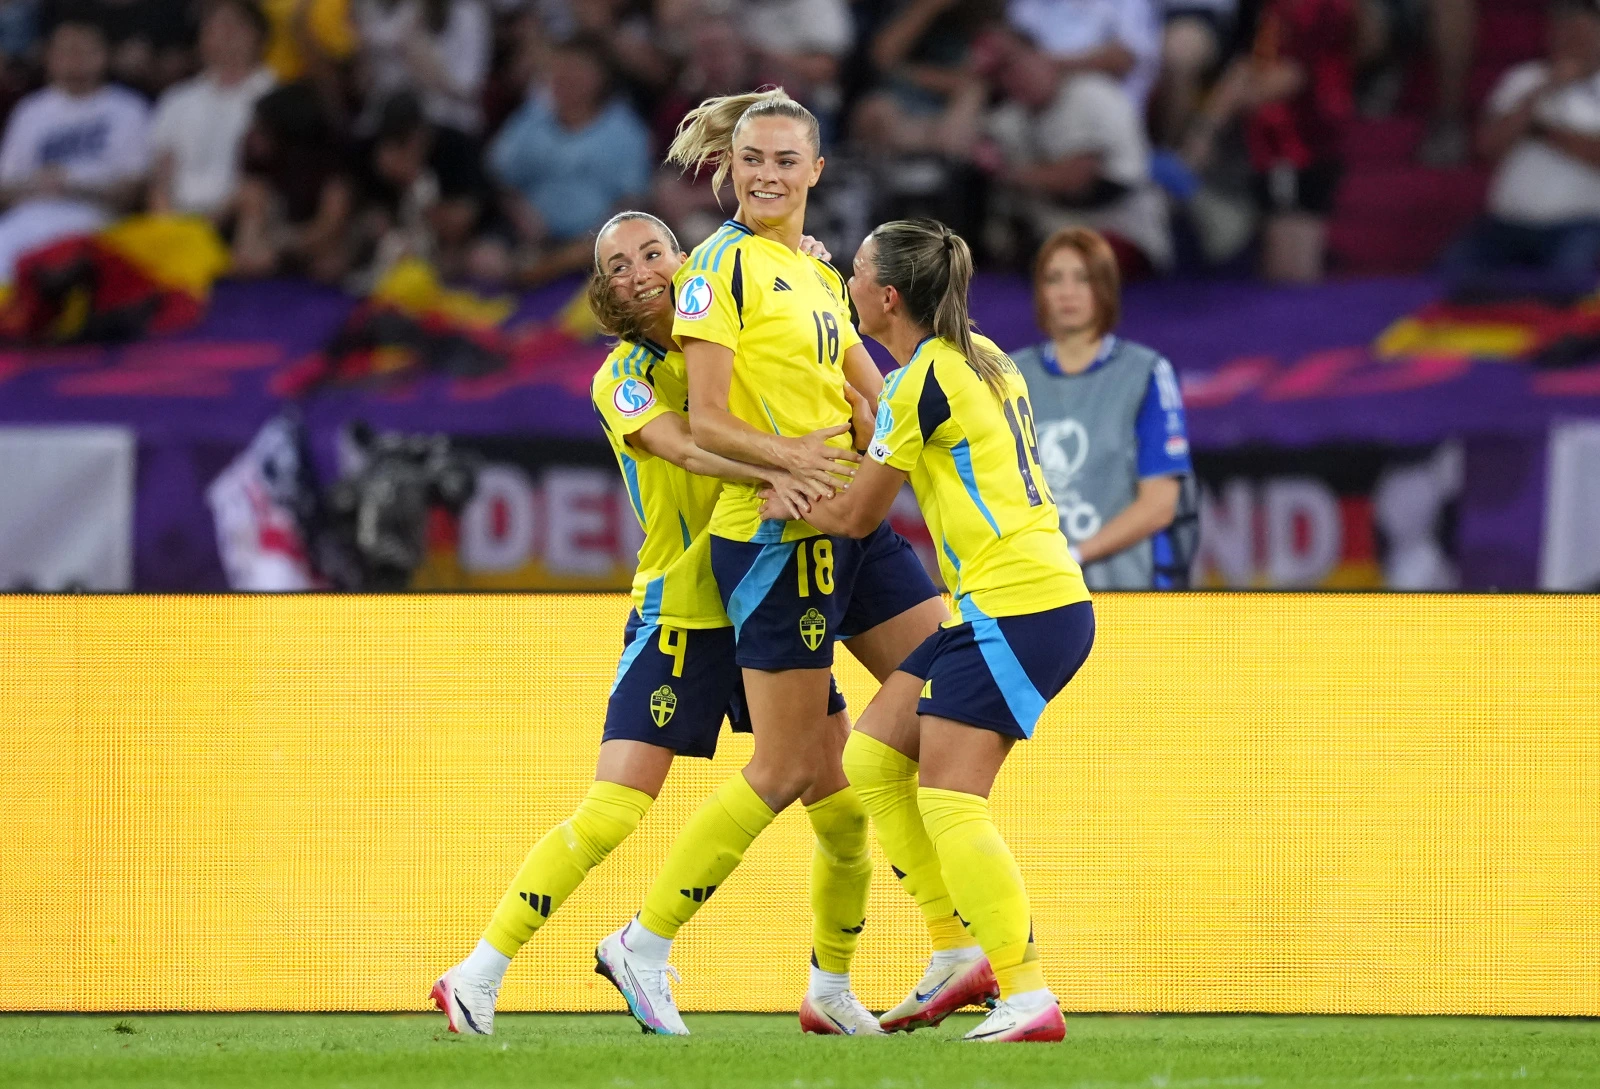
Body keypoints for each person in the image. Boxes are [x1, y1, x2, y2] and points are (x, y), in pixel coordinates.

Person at [591, 88, 952, 1038]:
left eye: (786, 160)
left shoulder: (820, 274)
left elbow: (879, 395)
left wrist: (946, 411)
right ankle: (646, 941)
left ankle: (890, 966)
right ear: (731, 166)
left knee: (944, 686)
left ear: (816, 171)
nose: (767, 173)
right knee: (792, 766)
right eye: (752, 157)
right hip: (775, 536)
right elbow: (706, 420)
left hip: (852, 524)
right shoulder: (716, 272)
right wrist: (790, 457)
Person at [431, 210, 844, 1035]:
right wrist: (788, 461)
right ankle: (480, 970)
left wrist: (796, 259)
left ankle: (829, 986)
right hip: (685, 611)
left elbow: (800, 321)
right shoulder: (621, 375)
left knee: (837, 803)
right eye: (618, 265)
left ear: (684, 260)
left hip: (765, 587)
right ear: (605, 289)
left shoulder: (729, 335)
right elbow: (688, 448)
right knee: (614, 808)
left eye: (653, 252)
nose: (639, 271)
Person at [772, 218, 1095, 1042]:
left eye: (852, 274)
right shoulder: (979, 358)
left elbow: (855, 514)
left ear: (887, 297)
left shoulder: (922, 382)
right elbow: (897, 410)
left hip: (1018, 608)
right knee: (875, 757)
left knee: (953, 800)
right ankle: (956, 952)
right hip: (1022, 602)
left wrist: (783, 491)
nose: (846, 283)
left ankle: (1028, 993)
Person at [1009, 227, 1196, 590]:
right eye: (1054, 279)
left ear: (1106, 288)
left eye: (1083, 278)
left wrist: (1073, 556)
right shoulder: (1011, 375)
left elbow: (1160, 505)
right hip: (1034, 594)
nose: (1067, 292)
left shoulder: (1145, 373)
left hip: (1127, 590)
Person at [1183, 0, 1356, 283]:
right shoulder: (1278, 8)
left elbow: (1292, 74)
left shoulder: (1311, 8)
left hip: (1294, 141)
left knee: (1289, 273)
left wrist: (1219, 115)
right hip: (1299, 137)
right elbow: (1257, 62)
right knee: (1294, 264)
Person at [1441, 0, 1600, 297]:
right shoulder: (1523, 79)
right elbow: (1488, 146)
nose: (1571, 37)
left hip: (1581, 225)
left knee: (1566, 292)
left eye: (1581, 30)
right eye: (1563, 28)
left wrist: (1541, 132)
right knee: (1447, 280)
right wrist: (1545, 87)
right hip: (1506, 223)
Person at [485, 33, 651, 285]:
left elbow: (631, 200)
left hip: (594, 244)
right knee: (485, 260)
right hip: (528, 238)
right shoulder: (529, 121)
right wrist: (519, 212)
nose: (564, 78)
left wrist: (595, 239)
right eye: (559, 69)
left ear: (600, 77)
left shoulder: (625, 132)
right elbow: (499, 177)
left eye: (575, 70)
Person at [0, 18, 148, 283]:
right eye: (65, 51)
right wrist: (39, 184)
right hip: (29, 215)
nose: (73, 58)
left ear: (103, 56)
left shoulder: (127, 109)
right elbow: (5, 188)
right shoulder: (30, 111)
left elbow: (131, 192)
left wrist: (71, 185)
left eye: (83, 51)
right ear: (50, 57)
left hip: (93, 218)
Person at [147, 0, 276, 222]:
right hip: (180, 220)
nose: (224, 35)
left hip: (244, 219)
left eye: (233, 26)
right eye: (213, 27)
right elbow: (161, 174)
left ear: (258, 35)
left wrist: (215, 218)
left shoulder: (274, 96)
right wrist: (168, 221)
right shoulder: (177, 99)